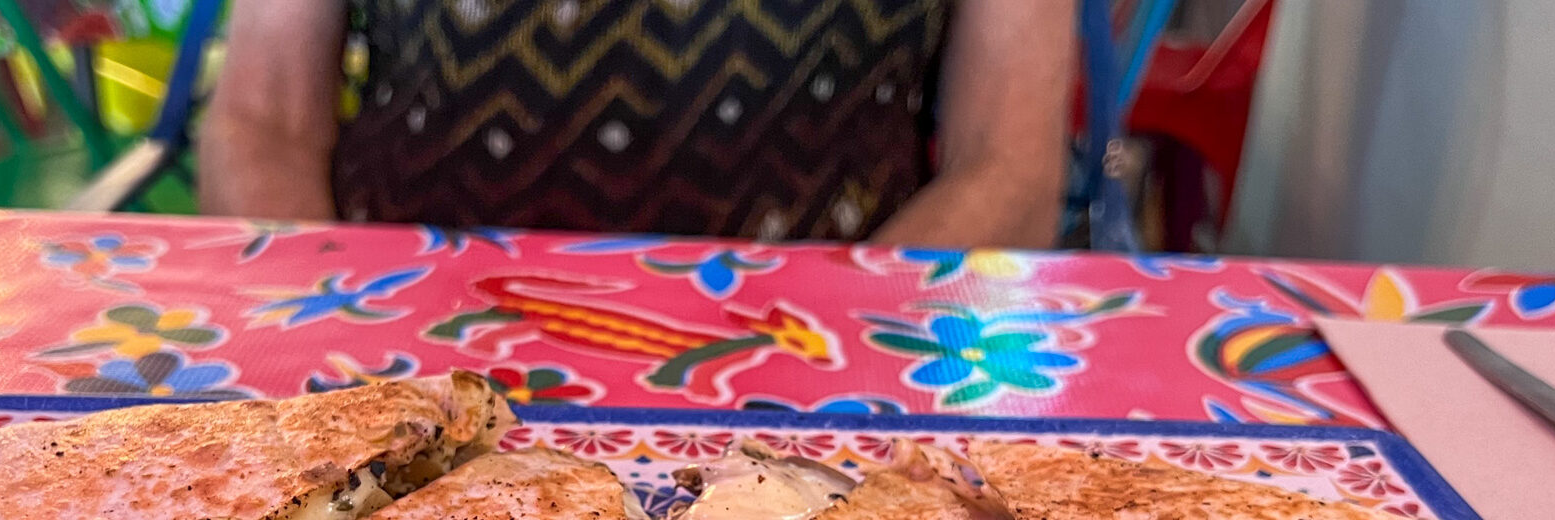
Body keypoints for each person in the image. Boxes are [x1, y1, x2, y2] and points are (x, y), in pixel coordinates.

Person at [200, 0, 1072, 249]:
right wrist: (327, 339)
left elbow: (1007, 167)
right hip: (393, 341)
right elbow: (264, 118)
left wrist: (830, 365)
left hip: (841, 364)